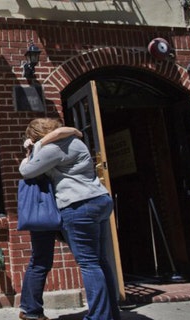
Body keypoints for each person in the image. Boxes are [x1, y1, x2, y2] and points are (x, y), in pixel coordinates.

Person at [18, 118, 120, 320]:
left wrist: (29, 151)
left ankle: (99, 316)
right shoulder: (74, 141)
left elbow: (26, 171)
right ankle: (111, 314)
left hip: (78, 204)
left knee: (89, 263)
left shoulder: (54, 147)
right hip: (98, 199)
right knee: (99, 260)